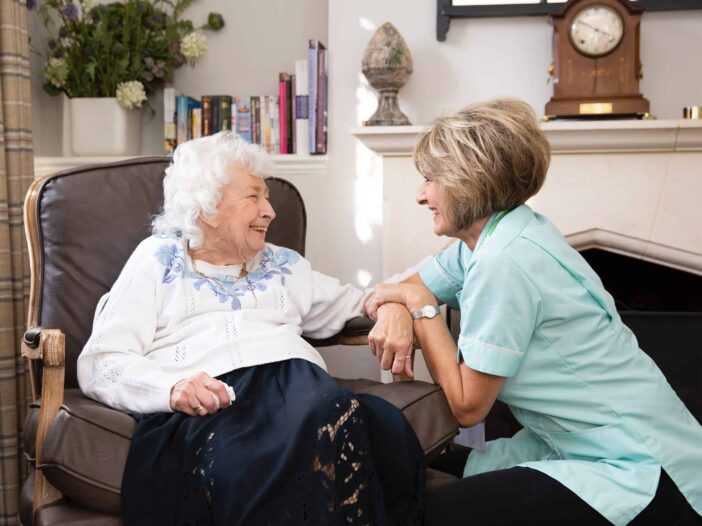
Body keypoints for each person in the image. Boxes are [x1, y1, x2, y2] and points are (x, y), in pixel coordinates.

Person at [365, 98, 702, 525]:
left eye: (430, 179)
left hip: (639, 465)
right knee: (406, 480)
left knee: (433, 514)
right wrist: (400, 305)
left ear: (469, 181)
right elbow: (404, 286)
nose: (420, 195)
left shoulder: (503, 260)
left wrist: (423, 310)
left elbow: (468, 408)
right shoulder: (495, 237)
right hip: (583, 446)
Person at [77, 131, 425, 526]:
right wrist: (172, 389)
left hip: (302, 391)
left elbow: (358, 301)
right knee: (309, 430)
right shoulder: (157, 260)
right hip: (215, 404)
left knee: (374, 426)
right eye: (254, 196)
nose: (270, 211)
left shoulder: (285, 265)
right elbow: (101, 362)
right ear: (207, 209)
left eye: (269, 197)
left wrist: (394, 302)